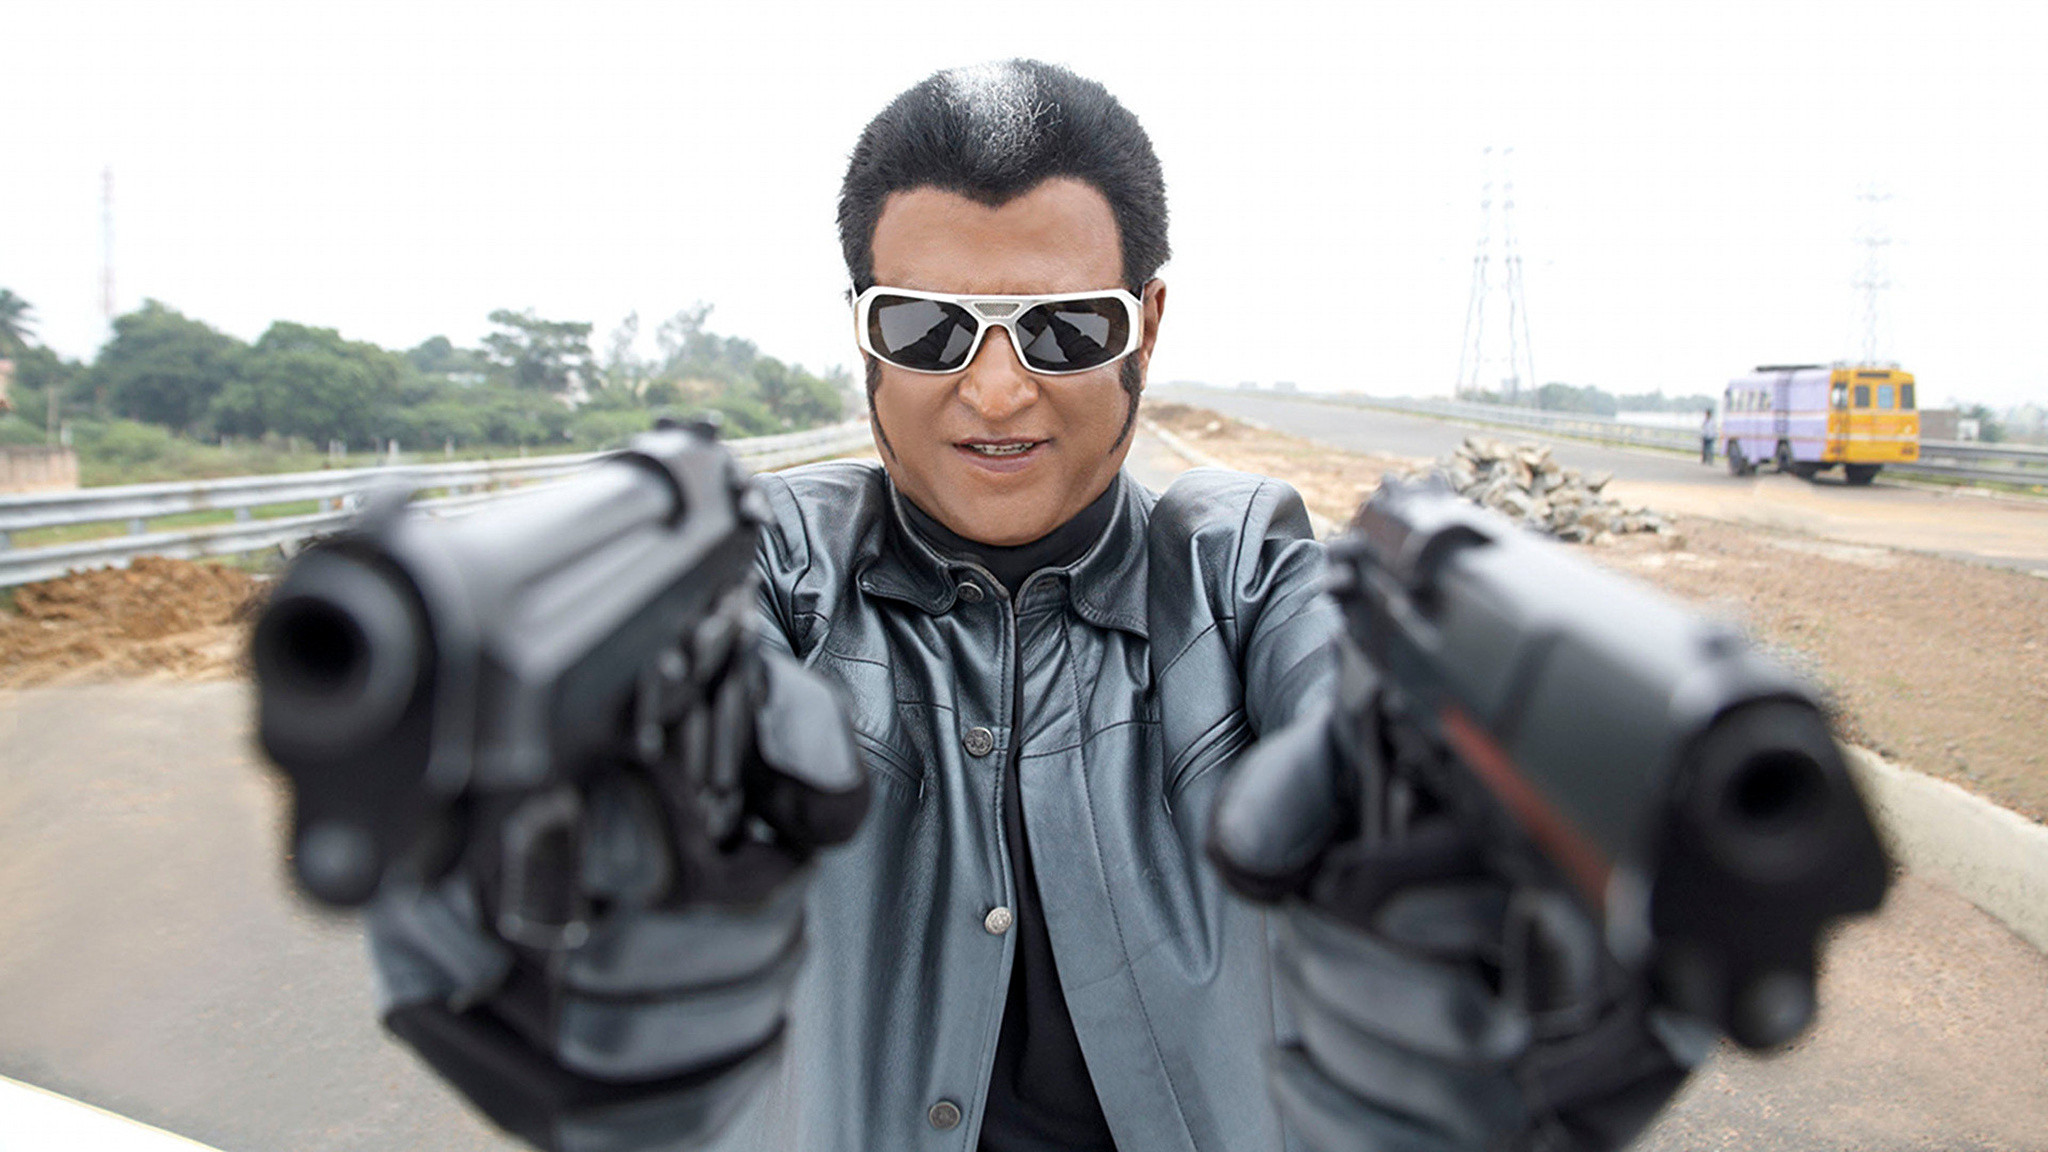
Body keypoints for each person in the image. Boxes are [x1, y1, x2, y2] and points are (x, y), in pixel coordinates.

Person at [366, 60, 1698, 1152]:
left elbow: (1356, 686)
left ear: (1147, 327)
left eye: (1063, 328)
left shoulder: (1238, 567)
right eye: (928, 328)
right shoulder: (780, 563)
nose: (996, 391)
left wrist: (1489, 792)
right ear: (862, 331)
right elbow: (679, 675)